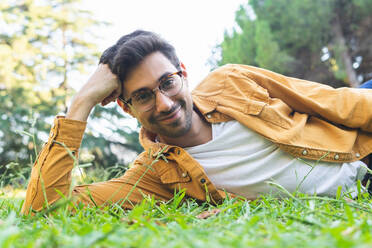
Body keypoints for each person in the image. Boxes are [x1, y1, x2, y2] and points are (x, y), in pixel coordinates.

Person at [22, 30, 372, 214]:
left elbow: (333, 102)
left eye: (167, 83)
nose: (164, 102)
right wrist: (81, 102)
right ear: (127, 108)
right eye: (143, 96)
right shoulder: (154, 175)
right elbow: (44, 206)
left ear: (183, 75)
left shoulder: (231, 81)